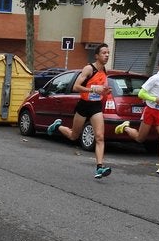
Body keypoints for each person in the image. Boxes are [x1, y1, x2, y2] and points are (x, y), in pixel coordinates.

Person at [45, 43, 114, 179]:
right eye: (103, 53)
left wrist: (105, 91)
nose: (106, 55)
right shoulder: (89, 69)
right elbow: (76, 87)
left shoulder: (104, 71)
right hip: (83, 105)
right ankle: (58, 126)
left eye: (108, 53)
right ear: (96, 56)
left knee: (100, 137)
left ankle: (99, 167)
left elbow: (101, 90)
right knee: (73, 136)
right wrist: (94, 89)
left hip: (96, 106)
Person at [115, 55, 159, 176]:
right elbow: (141, 93)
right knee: (140, 138)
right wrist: (155, 99)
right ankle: (125, 127)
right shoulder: (154, 78)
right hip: (150, 111)